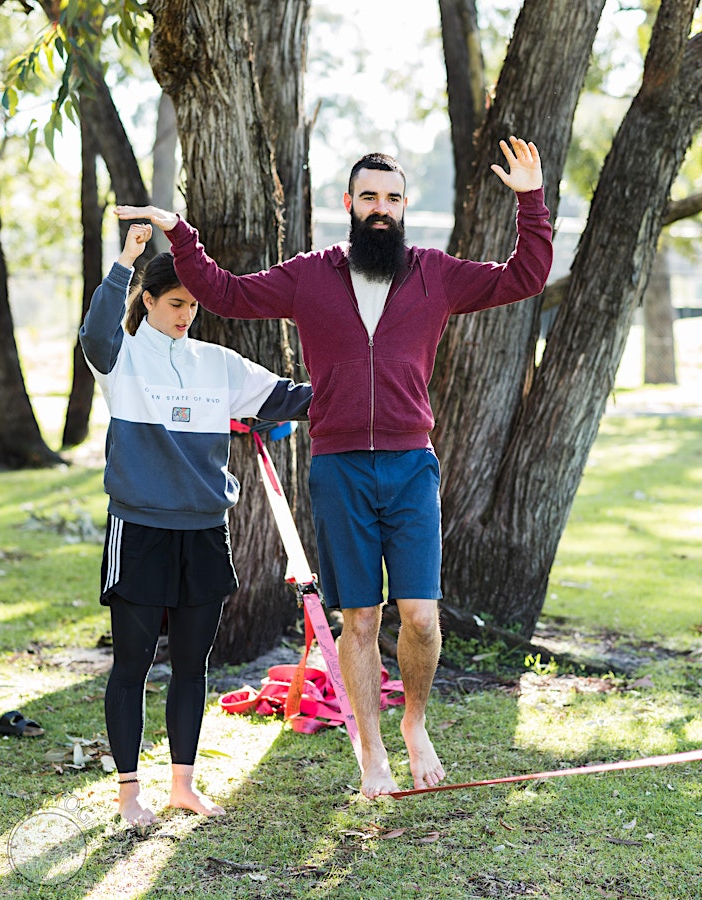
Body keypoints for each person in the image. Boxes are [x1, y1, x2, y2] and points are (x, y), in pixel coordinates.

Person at [115, 136, 554, 800]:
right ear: (349, 204)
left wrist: (531, 200)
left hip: (411, 465)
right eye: (369, 197)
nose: (381, 208)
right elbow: (225, 293)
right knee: (362, 620)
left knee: (421, 617)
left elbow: (523, 276)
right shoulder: (311, 275)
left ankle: (413, 723)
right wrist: (181, 234)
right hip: (339, 467)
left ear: (405, 207)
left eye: (393, 198)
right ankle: (371, 750)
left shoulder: (435, 273)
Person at [80, 223, 312, 825]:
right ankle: (130, 793)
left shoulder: (220, 365)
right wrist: (124, 264)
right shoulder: (121, 360)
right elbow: (94, 334)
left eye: (193, 305)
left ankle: (183, 785)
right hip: (140, 530)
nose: (186, 314)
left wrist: (368, 380)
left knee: (192, 665)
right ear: (149, 301)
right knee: (131, 665)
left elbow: (289, 398)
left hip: (205, 532)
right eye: (176, 303)